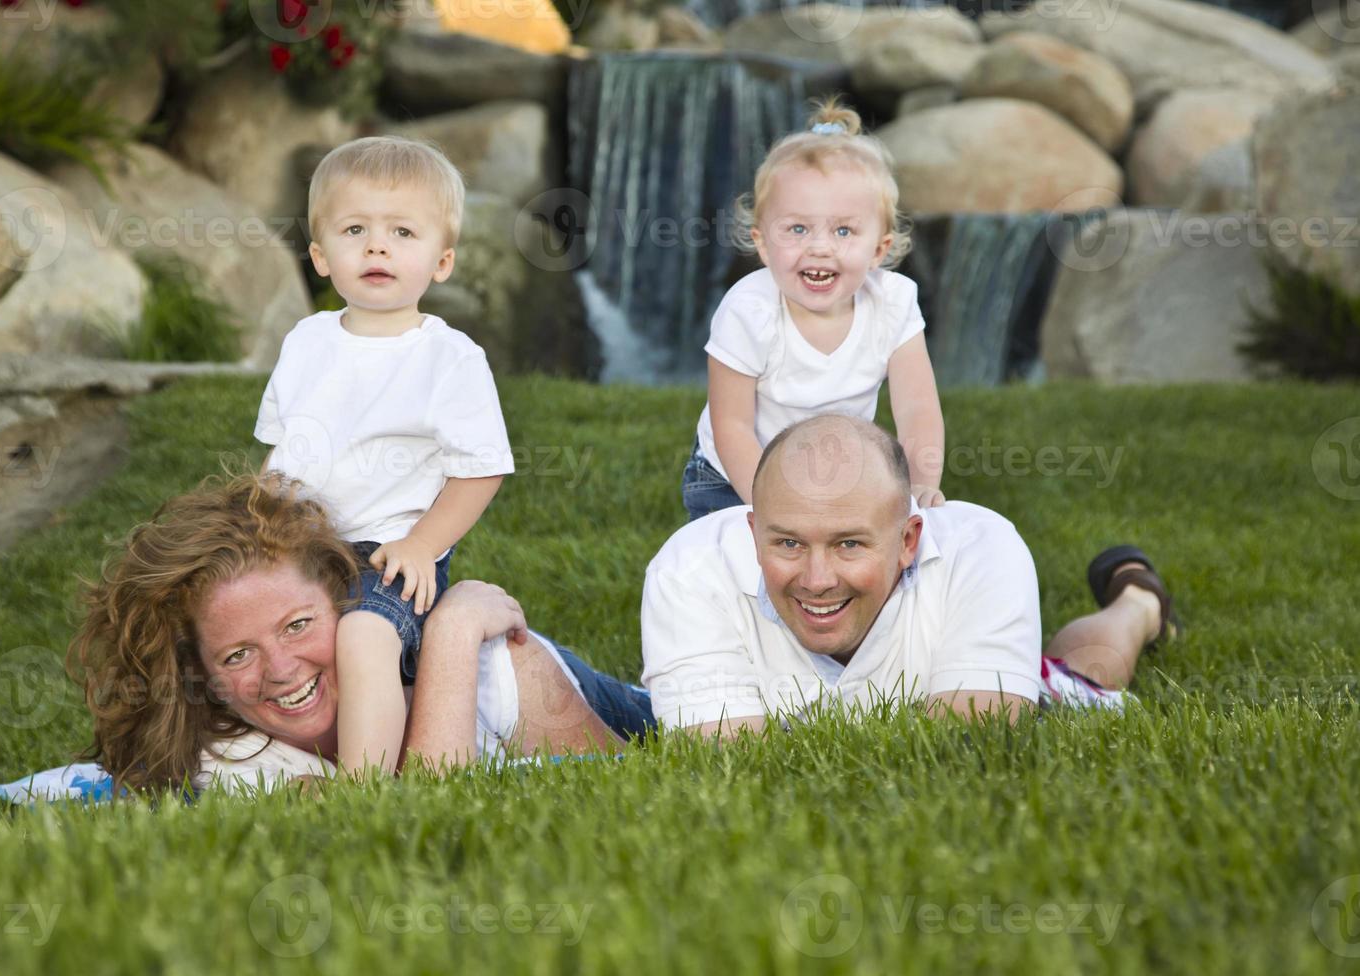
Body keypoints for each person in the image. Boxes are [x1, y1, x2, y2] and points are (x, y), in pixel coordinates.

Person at [67, 473, 654, 794]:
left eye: (299, 625)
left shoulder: (500, 668)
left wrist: (450, 639)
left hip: (624, 706)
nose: (280, 671)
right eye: (238, 654)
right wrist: (454, 628)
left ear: (348, 605)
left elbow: (629, 794)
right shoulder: (228, 758)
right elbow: (399, 833)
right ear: (200, 674)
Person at [644, 415, 1176, 736]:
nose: (818, 578)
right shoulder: (689, 571)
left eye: (849, 543)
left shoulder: (981, 550)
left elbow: (972, 741)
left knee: (1083, 673)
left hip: (1034, 690)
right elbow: (722, 765)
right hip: (929, 678)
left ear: (908, 541)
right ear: (752, 530)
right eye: (788, 543)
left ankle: (1138, 603)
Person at [256, 136, 514, 776]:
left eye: (403, 231)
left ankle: (364, 788)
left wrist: (424, 544)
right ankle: (246, 754)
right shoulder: (306, 340)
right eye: (354, 229)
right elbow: (280, 452)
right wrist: (252, 523)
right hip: (296, 544)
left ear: (442, 260)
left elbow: (480, 468)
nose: (377, 246)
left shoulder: (447, 357)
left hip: (388, 554)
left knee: (363, 634)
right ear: (320, 256)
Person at [682, 97, 945, 522]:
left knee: (841, 574)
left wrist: (920, 481)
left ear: (879, 249)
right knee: (748, 577)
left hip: (839, 475)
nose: (820, 246)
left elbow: (917, 407)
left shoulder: (893, 303)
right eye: (798, 228)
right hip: (735, 476)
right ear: (764, 244)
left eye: (844, 230)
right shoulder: (749, 311)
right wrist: (774, 509)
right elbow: (732, 426)